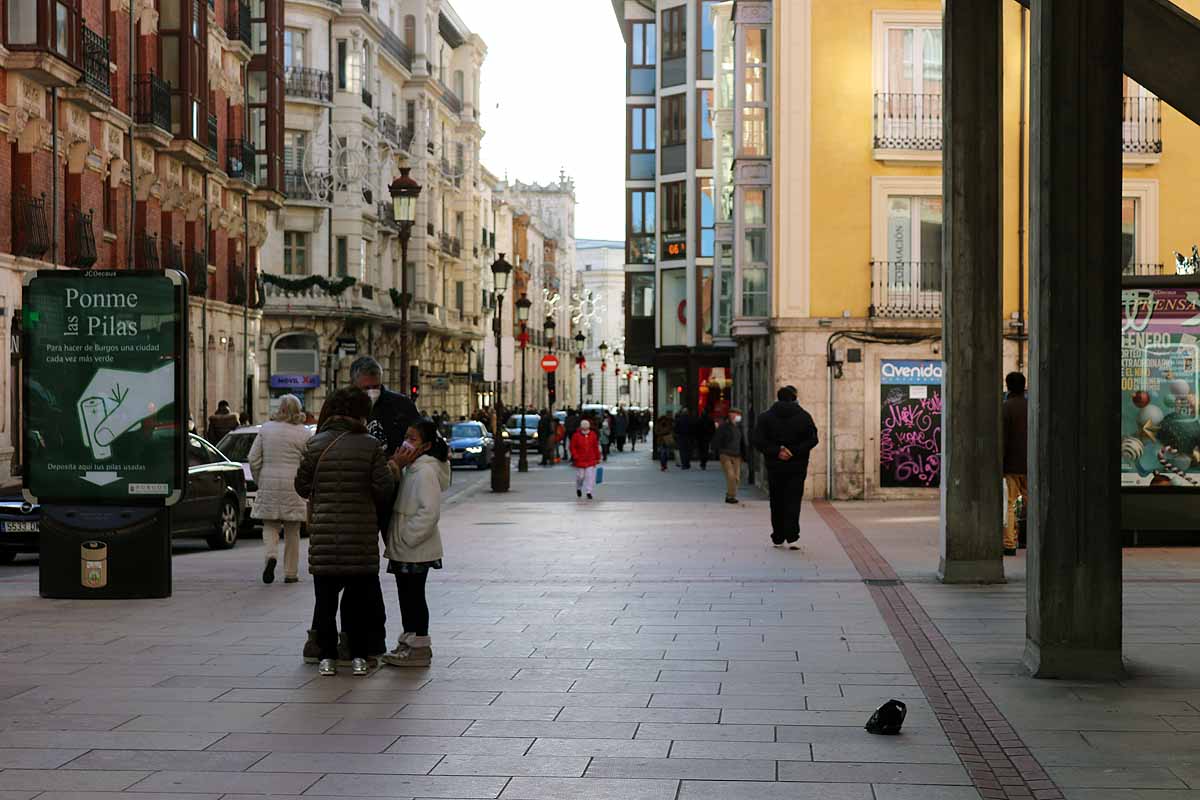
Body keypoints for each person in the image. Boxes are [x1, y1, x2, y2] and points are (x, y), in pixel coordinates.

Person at [295, 387, 395, 677]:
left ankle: (326, 657)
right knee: (357, 601)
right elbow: (384, 489)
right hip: (360, 537)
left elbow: (301, 486)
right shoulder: (370, 445)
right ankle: (358, 656)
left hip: (325, 537)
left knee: (325, 601)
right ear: (361, 414)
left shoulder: (316, 444)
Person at [350, 355, 420, 658]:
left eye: (376, 386)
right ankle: (366, 638)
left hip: (396, 495)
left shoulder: (401, 405)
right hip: (361, 498)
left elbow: (419, 440)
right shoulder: (346, 406)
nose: (371, 392)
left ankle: (411, 636)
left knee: (403, 566)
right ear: (355, 385)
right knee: (362, 570)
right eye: (366, 387)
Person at [382, 418, 451, 668]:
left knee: (414, 597)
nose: (406, 443)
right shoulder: (412, 468)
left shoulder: (425, 471)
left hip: (415, 548)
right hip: (406, 547)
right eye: (406, 436)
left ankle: (419, 644)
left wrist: (407, 537)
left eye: (413, 439)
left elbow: (429, 511)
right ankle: (409, 640)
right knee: (406, 596)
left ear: (426, 446)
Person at [248, 394, 312, 584]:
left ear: (280, 409)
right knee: (293, 530)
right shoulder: (304, 432)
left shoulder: (266, 429)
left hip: (268, 482)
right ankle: (291, 573)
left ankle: (271, 556)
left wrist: (260, 479)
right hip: (293, 485)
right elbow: (309, 461)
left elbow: (253, 458)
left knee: (269, 526)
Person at [753, 386, 819, 549]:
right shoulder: (804, 417)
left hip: (775, 466)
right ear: (794, 398)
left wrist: (777, 451)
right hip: (797, 466)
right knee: (793, 501)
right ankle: (792, 536)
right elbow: (813, 439)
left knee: (777, 501)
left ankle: (778, 536)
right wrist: (793, 451)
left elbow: (758, 440)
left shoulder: (765, 417)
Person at [1002, 372, 1028, 557]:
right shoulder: (1032, 406)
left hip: (1011, 465)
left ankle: (1009, 544)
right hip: (1031, 466)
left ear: (1008, 386)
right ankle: (1034, 541)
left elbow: (1003, 438)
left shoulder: (1006, 407)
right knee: (1032, 504)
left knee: (1010, 504)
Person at [713, 408, 747, 504]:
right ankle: (731, 496)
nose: (738, 416)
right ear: (731, 415)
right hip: (725, 454)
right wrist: (718, 451)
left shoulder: (739, 427)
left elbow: (742, 442)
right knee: (730, 475)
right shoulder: (723, 427)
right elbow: (717, 440)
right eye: (736, 414)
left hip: (737, 455)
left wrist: (745, 456)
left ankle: (730, 494)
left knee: (736, 477)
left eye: (738, 414)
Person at [570, 418, 602, 499]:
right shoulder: (576, 436)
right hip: (580, 460)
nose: (585, 430)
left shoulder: (593, 435)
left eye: (587, 428)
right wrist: (575, 455)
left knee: (590, 476)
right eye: (584, 429)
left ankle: (589, 492)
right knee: (580, 476)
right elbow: (572, 447)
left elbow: (595, 446)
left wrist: (598, 457)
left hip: (590, 459)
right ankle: (579, 488)